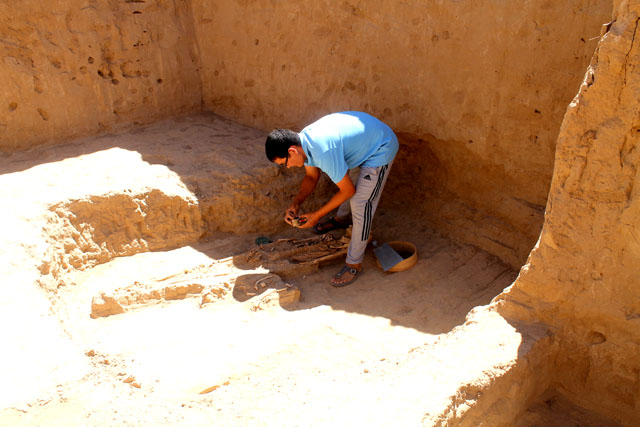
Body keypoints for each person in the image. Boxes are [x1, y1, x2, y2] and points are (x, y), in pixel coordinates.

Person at [265, 111, 399, 287]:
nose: (288, 167)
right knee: (350, 186)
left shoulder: (322, 151)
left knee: (361, 204)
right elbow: (311, 177)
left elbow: (348, 191)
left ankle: (354, 264)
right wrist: (296, 203)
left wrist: (316, 215)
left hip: (380, 147)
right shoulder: (303, 143)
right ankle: (341, 219)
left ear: (292, 150)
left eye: (285, 163)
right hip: (362, 144)